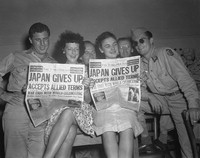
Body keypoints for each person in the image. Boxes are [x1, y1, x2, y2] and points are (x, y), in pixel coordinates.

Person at [131, 27, 200, 158]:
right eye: (135, 43)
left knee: (186, 144)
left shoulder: (165, 53)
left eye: (141, 40)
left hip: (180, 100)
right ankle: (146, 141)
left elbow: (185, 79)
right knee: (132, 102)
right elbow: (139, 87)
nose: (138, 45)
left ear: (151, 40)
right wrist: (150, 96)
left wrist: (193, 105)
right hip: (161, 100)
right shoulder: (139, 64)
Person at [0, 22, 56, 158]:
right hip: (17, 107)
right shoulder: (16, 56)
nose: (42, 44)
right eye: (38, 40)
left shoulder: (55, 63)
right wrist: (3, 94)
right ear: (31, 40)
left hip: (42, 112)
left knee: (38, 154)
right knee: (15, 154)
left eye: (45, 39)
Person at [43, 30, 95, 158]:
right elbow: (49, 97)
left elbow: (87, 101)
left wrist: (86, 88)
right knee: (70, 131)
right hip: (58, 111)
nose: (73, 52)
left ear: (80, 51)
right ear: (63, 50)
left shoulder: (86, 70)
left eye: (76, 49)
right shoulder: (56, 69)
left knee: (68, 111)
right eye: (69, 49)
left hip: (79, 109)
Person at [94, 31, 143, 158]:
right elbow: (96, 97)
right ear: (101, 49)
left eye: (114, 44)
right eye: (107, 46)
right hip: (105, 108)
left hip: (125, 106)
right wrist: (89, 85)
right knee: (107, 128)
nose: (113, 48)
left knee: (127, 126)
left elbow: (134, 95)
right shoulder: (95, 68)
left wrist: (139, 83)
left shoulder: (129, 64)